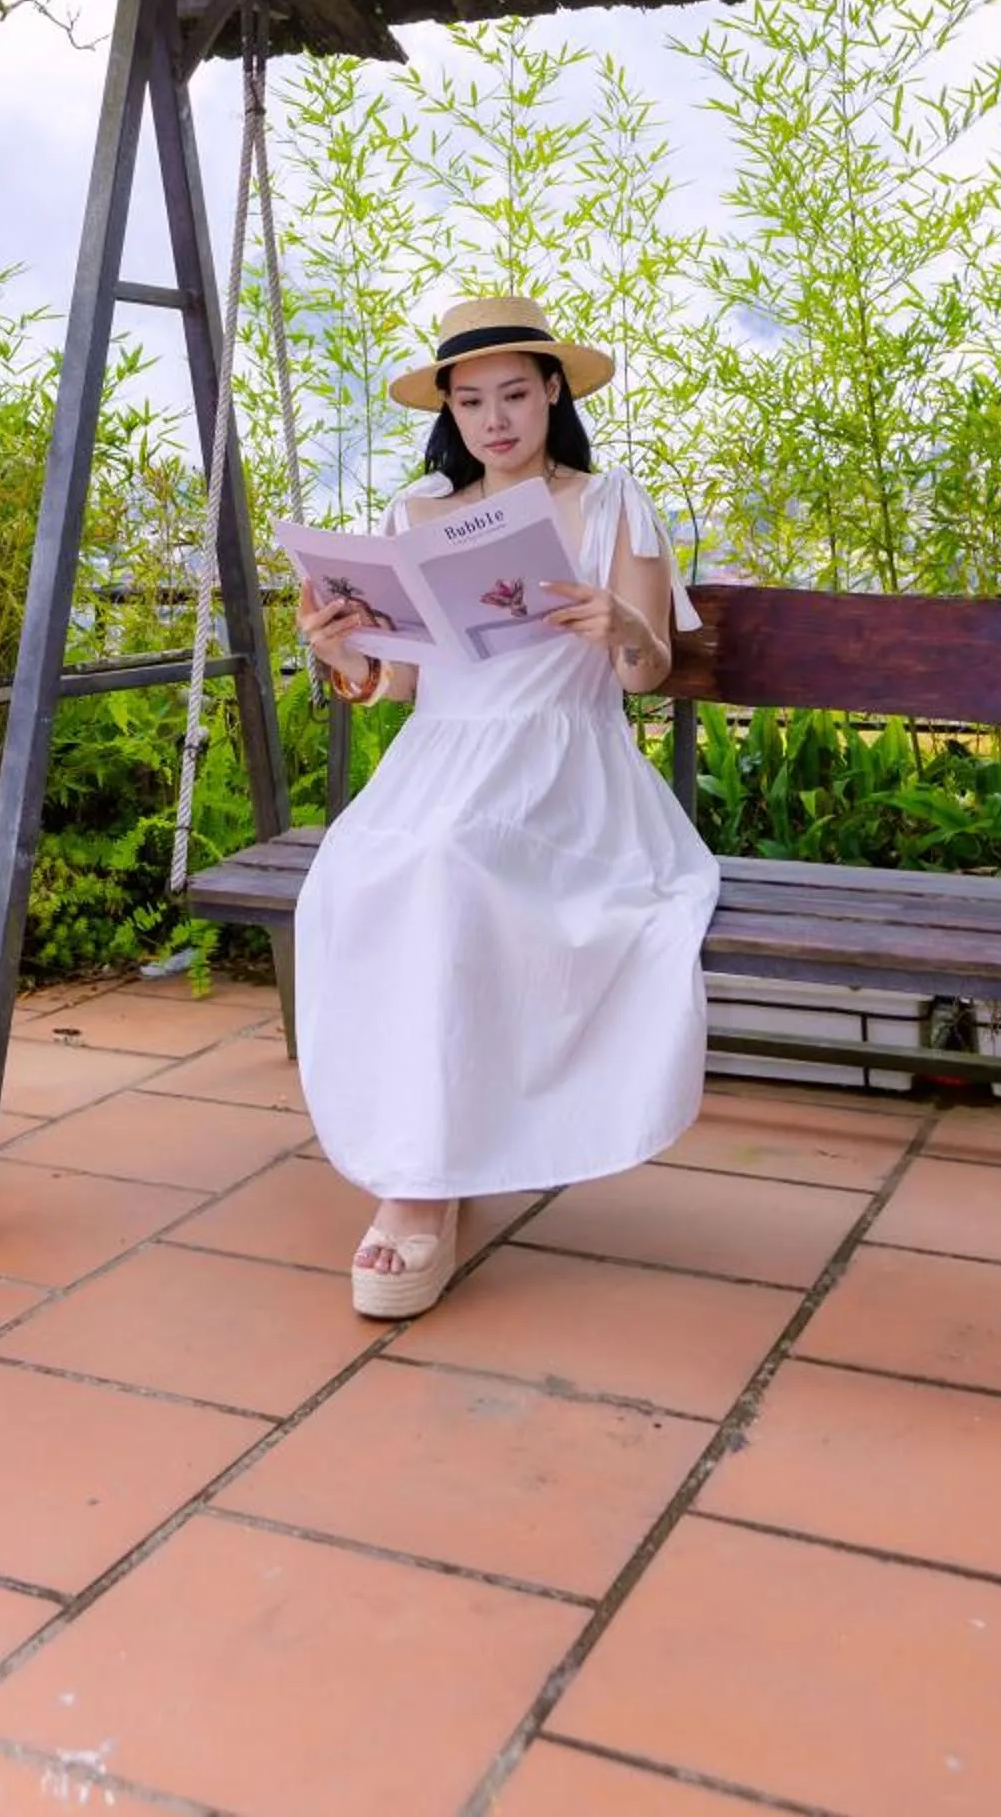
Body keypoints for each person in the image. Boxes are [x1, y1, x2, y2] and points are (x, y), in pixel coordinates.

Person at [292, 293, 720, 1319]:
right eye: (472, 401)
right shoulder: (414, 515)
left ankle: (416, 1190)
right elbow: (394, 689)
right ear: (448, 410)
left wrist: (620, 622)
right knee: (362, 882)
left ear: (551, 395)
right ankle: (433, 1149)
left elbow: (645, 673)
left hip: (565, 767)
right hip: (436, 768)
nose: (494, 420)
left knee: (444, 869)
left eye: (515, 396)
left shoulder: (611, 502)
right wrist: (341, 650)